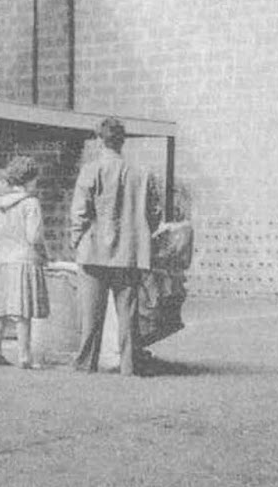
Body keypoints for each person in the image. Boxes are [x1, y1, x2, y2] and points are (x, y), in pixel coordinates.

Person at [71, 118, 160, 375]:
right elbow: (154, 214)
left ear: (100, 140)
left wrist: (75, 240)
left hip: (93, 252)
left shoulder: (90, 170)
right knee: (128, 315)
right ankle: (129, 366)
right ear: (123, 142)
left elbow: (79, 212)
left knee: (91, 317)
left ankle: (85, 364)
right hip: (129, 254)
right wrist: (139, 235)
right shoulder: (142, 174)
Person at [0, 157, 50, 368]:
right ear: (31, 179)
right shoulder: (31, 203)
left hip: (1, 259)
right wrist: (44, 254)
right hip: (23, 259)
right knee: (22, 312)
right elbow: (34, 237)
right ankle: (24, 356)